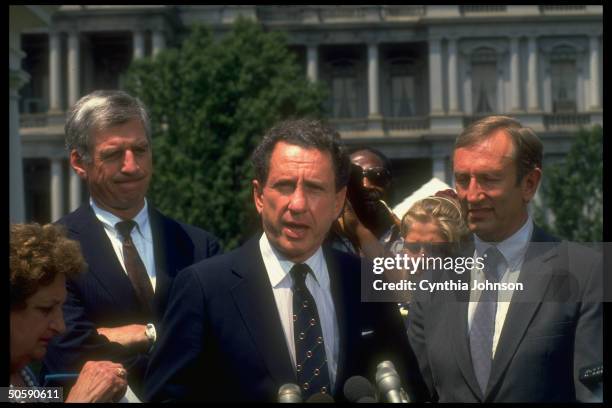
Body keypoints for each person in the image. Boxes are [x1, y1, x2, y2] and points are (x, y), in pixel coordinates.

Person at [144, 119, 422, 402]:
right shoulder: (204, 288)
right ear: (259, 196)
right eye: (285, 186)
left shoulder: (366, 279)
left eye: (314, 188)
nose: (298, 204)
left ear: (338, 202)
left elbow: (410, 386)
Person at [406, 115, 602, 402]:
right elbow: (419, 391)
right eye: (463, 180)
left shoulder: (585, 272)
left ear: (529, 184)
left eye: (488, 179)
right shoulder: (433, 281)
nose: (472, 195)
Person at [41, 90, 222, 400]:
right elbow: (66, 352)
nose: (132, 166)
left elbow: (221, 346)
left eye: (140, 150)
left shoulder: (200, 246)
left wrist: (137, 335)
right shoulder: (53, 249)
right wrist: (167, 335)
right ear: (78, 162)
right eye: (113, 154)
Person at [10, 223, 128, 403]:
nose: (61, 326)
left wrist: (93, 389)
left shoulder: (20, 371)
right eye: (46, 309)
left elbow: (16, 396)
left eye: (60, 308)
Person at [330, 146, 401, 258]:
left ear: (390, 184)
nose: (365, 185)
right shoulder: (324, 236)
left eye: (377, 175)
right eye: (354, 178)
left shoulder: (409, 234)